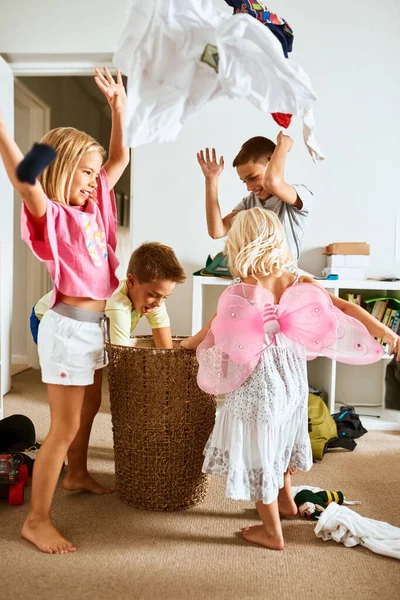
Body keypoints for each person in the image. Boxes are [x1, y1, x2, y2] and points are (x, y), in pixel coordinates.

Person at [182, 208, 399, 550]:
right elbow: (345, 309)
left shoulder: (244, 288)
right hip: (293, 384)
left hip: (259, 385)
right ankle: (286, 503)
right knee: (278, 444)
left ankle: (271, 532)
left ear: (239, 245)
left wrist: (189, 344)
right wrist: (386, 331)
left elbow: (215, 327)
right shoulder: (299, 282)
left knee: (259, 454)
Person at [0, 67, 129, 554]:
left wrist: (119, 108)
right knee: (64, 427)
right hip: (68, 330)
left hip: (92, 328)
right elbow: (24, 176)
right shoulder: (50, 212)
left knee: (91, 406)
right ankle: (37, 520)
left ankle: (77, 475)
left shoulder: (94, 205)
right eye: (87, 170)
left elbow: (119, 156)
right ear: (61, 166)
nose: (96, 179)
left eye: (97, 174)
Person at [31, 241, 187, 348]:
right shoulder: (118, 305)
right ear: (131, 282)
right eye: (154, 295)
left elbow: (165, 349)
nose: (159, 303)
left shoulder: (154, 301)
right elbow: (121, 357)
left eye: (165, 297)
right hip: (48, 318)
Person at [197, 132, 313, 261]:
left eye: (253, 178)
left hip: (283, 278)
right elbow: (217, 232)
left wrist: (283, 145)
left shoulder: (298, 194)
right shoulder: (249, 203)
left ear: (272, 165)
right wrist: (211, 179)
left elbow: (272, 183)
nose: (248, 187)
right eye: (244, 181)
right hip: (253, 277)